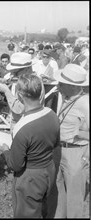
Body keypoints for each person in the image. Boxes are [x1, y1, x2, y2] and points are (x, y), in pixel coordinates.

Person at [0, 74, 60, 218]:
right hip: (49, 169)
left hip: (30, 177)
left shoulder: (22, 126)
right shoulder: (52, 114)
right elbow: (56, 143)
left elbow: (16, 165)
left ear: (20, 95)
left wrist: (6, 151)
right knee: (44, 210)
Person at [46, 64, 89, 218]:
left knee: (74, 196)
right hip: (59, 150)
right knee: (57, 191)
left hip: (75, 153)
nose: (58, 85)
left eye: (62, 83)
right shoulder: (66, 98)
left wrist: (85, 155)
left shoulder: (85, 103)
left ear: (73, 86)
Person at [0, 52, 45, 132]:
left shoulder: (31, 84)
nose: (12, 74)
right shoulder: (27, 79)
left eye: (15, 72)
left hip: (26, 127)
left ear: (26, 69)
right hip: (21, 124)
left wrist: (6, 91)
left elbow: (20, 109)